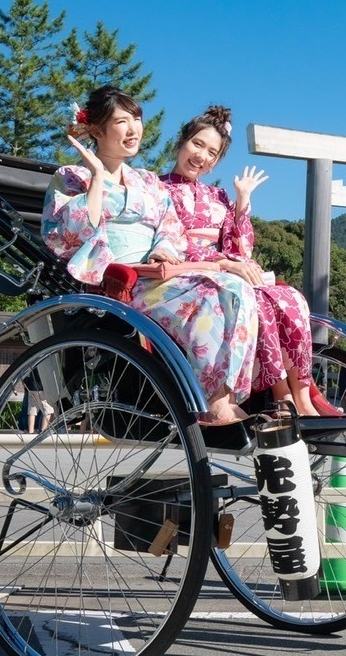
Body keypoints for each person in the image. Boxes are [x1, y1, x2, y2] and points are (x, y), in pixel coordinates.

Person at [41, 86, 259, 423]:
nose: (134, 129)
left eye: (137, 119)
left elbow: (170, 226)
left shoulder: (147, 181)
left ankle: (223, 396)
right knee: (210, 296)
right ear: (97, 129)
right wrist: (98, 178)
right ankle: (208, 401)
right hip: (117, 280)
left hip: (153, 272)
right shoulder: (73, 177)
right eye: (122, 121)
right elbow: (66, 236)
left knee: (237, 289)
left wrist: (161, 251)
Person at [161, 106, 319, 416]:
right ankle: (279, 394)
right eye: (197, 144)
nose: (202, 156)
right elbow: (171, 241)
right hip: (190, 270)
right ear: (181, 142)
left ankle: (300, 394)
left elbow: (239, 247)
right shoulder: (157, 188)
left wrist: (243, 200)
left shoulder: (218, 195)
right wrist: (223, 263)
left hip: (226, 267)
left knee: (288, 298)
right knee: (248, 298)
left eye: (212, 153)